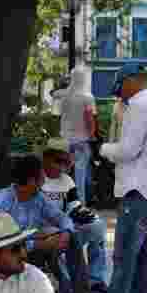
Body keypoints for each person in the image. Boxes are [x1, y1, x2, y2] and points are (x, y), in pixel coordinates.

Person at [81, 63, 147, 293]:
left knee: (122, 257)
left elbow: (128, 150)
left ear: (131, 81)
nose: (119, 96)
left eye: (120, 90)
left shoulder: (139, 106)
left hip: (136, 192)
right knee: (139, 256)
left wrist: (102, 149)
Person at [0, 155, 88, 293]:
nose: (44, 182)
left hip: (27, 250)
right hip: (2, 257)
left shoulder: (38, 198)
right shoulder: (2, 201)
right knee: (43, 247)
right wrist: (38, 244)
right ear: (32, 181)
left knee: (70, 237)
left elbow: (61, 218)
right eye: (41, 177)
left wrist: (65, 232)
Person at [40, 137, 110, 293]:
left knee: (98, 227)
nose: (62, 167)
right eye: (58, 161)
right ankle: (68, 284)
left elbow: (74, 207)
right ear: (46, 158)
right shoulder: (37, 179)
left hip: (66, 227)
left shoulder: (67, 181)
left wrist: (87, 216)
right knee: (60, 240)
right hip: (43, 231)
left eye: (66, 162)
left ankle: (96, 279)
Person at [57, 64, 98, 203]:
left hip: (64, 141)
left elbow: (59, 116)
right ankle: (80, 205)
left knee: (62, 176)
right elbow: (89, 119)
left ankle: (61, 203)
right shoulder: (87, 97)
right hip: (81, 141)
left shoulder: (64, 96)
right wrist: (92, 136)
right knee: (80, 176)